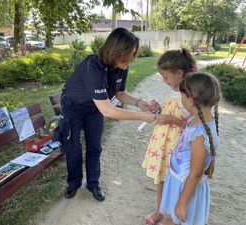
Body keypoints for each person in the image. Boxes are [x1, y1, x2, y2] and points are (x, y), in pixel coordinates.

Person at [54, 28, 157, 202]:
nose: (133, 58)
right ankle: (74, 182)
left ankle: (93, 183)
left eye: (134, 53)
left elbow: (120, 93)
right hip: (74, 107)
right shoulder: (92, 67)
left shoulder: (121, 65)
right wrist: (141, 117)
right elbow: (108, 110)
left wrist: (140, 103)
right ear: (116, 50)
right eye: (130, 53)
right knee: (73, 148)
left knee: (95, 146)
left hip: (95, 108)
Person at [157, 72, 221, 225]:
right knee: (171, 218)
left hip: (185, 188)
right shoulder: (197, 120)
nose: (181, 100)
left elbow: (196, 173)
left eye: (182, 96)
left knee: (174, 219)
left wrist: (182, 202)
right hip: (179, 182)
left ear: (190, 100)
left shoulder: (200, 134)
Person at [142, 49, 196, 225]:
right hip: (163, 144)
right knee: (161, 178)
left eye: (165, 77)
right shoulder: (174, 89)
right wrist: (158, 109)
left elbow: (194, 124)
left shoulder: (189, 93)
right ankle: (160, 210)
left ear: (179, 73)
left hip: (177, 147)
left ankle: (171, 215)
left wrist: (172, 119)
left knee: (174, 181)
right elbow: (167, 112)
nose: (163, 80)